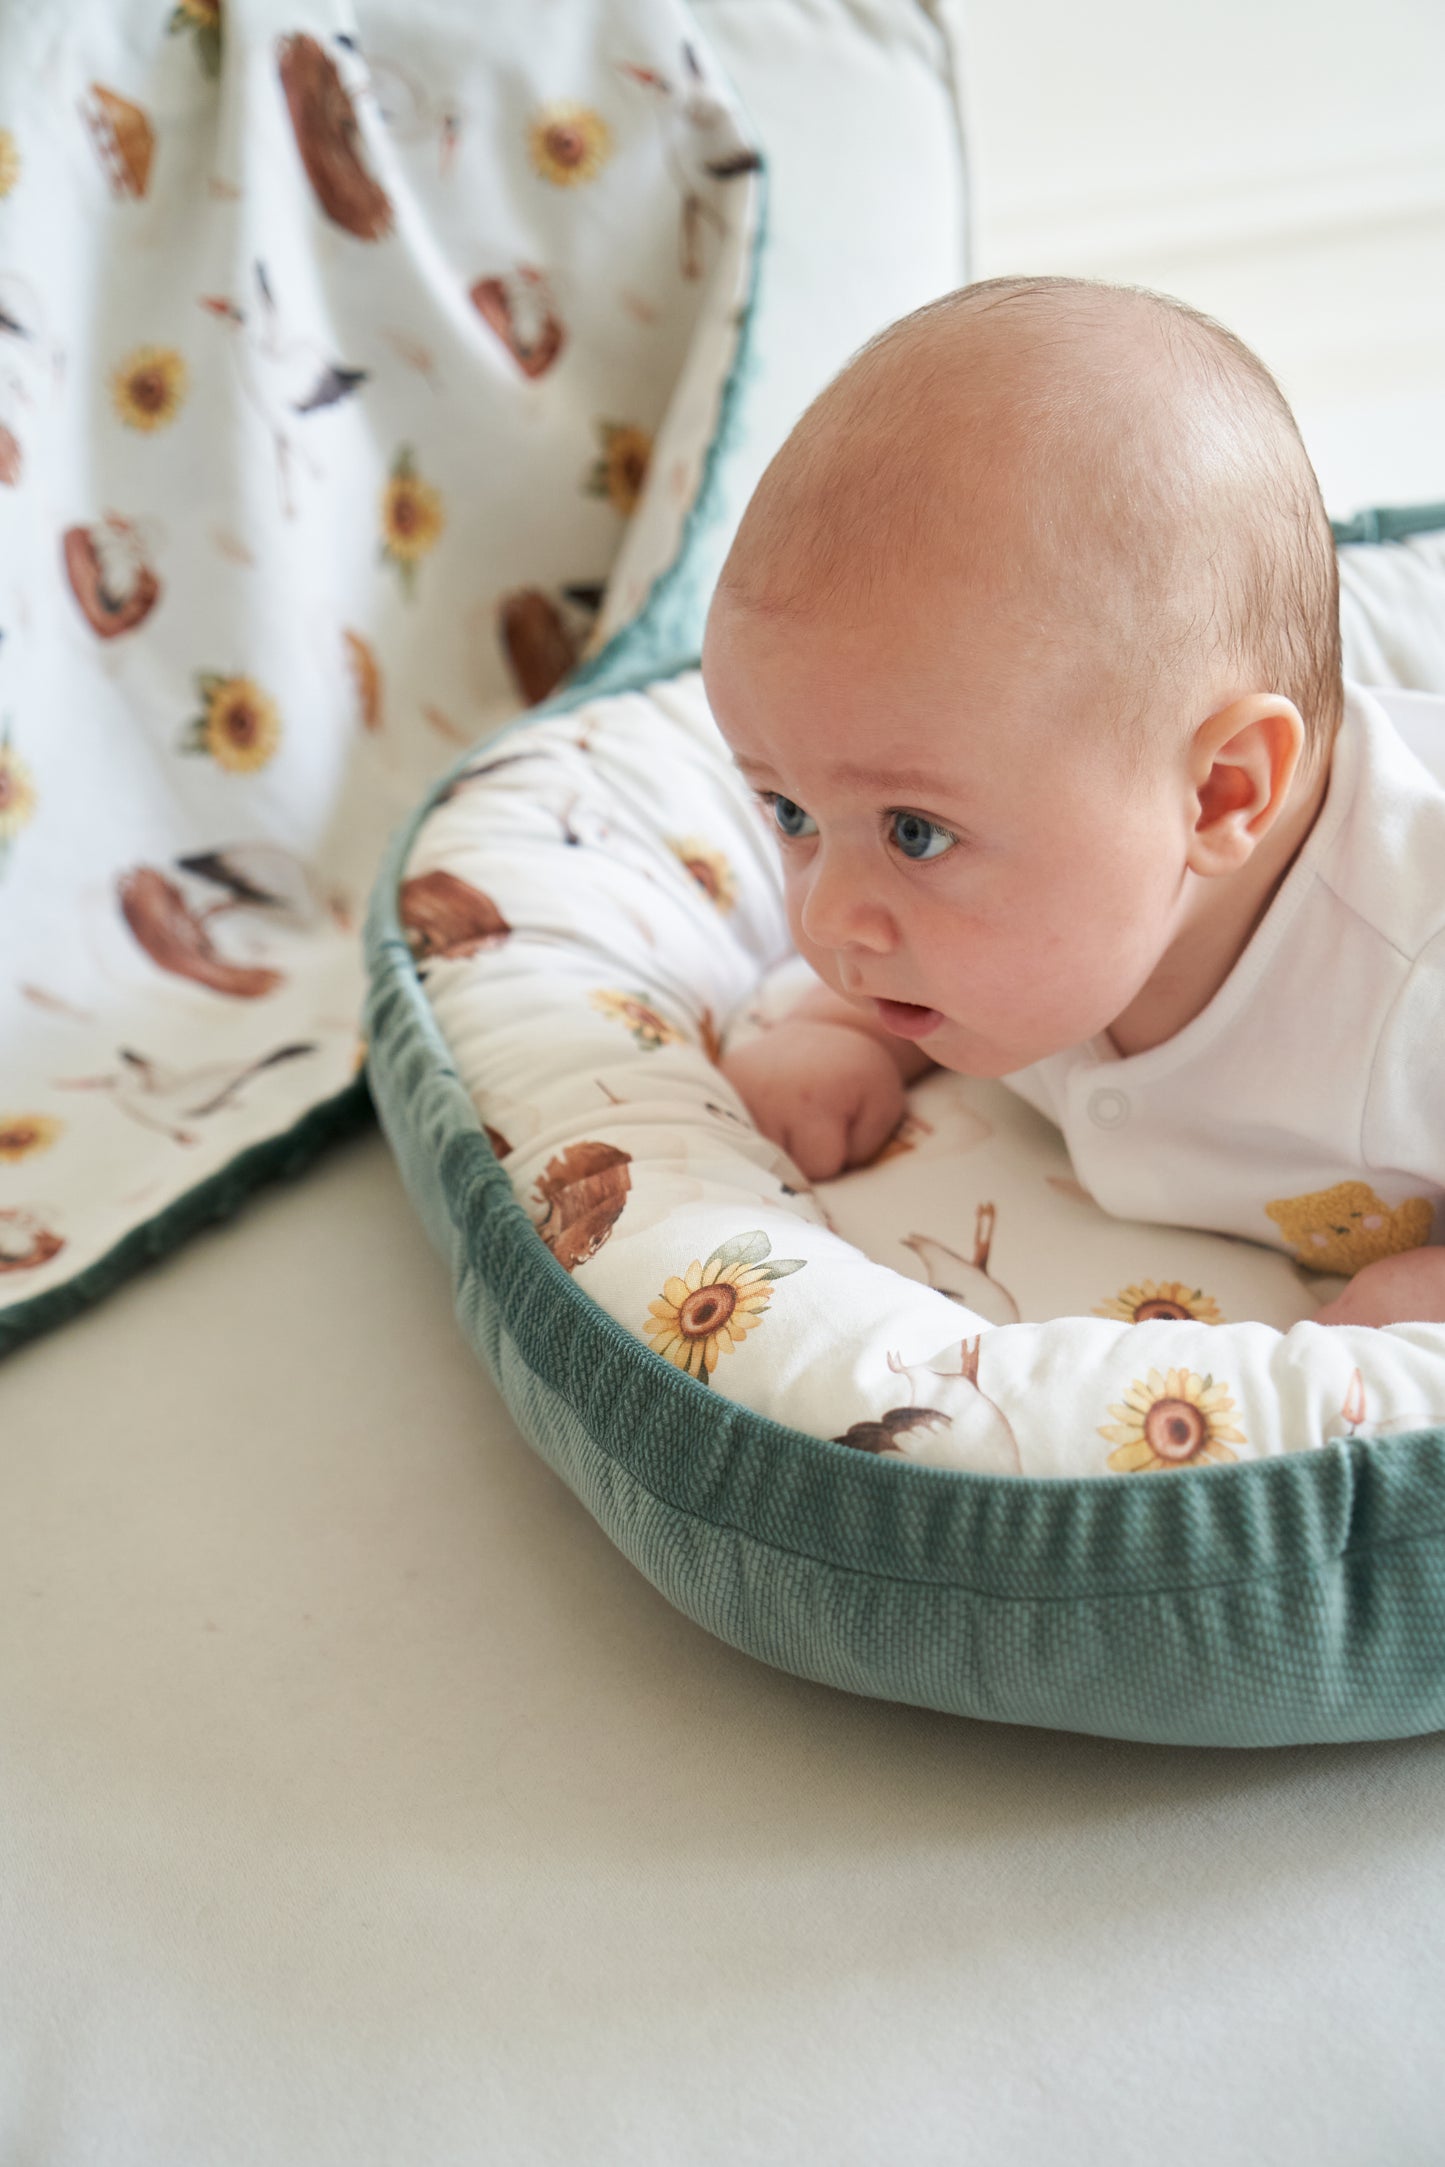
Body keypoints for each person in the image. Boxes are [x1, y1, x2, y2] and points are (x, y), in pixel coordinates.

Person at [699, 276, 1445, 1328]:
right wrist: (851, 1030)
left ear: (1218, 793)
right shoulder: (1044, 892)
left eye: (915, 833)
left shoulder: (1410, 977)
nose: (826, 917)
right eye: (789, 815)